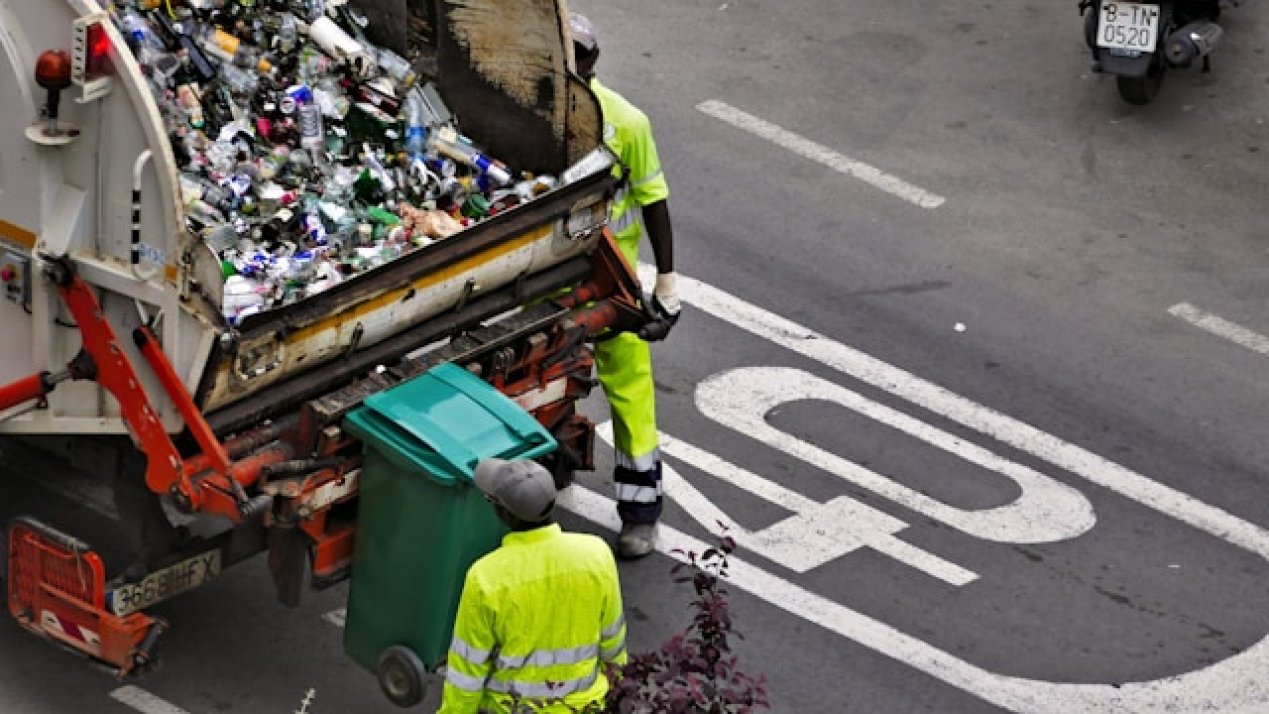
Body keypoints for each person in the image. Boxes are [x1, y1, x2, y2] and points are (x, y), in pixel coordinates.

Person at [570, 11, 681, 560]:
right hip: (548, 278)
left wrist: (667, 283)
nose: (573, 63)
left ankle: (641, 515)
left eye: (580, 54)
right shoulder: (530, 114)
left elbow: (654, 200)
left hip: (610, 282)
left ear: (594, 59)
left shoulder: (626, 123)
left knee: (631, 394)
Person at [438, 458, 628, 713]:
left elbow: (468, 671)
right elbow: (613, 641)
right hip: (587, 706)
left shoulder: (486, 577)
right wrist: (618, 691)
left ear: (504, 513)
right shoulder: (596, 554)